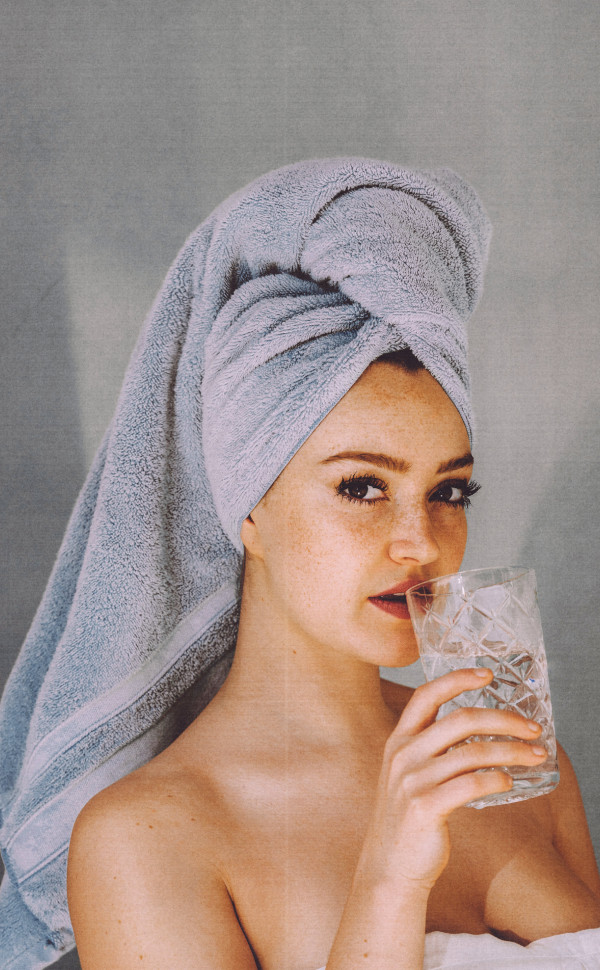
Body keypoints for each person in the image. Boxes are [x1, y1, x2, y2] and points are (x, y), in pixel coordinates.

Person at [2, 159, 600, 970]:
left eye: (449, 491)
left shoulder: (518, 763)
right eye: (362, 487)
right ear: (248, 508)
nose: (421, 542)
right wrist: (389, 880)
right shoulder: (146, 836)